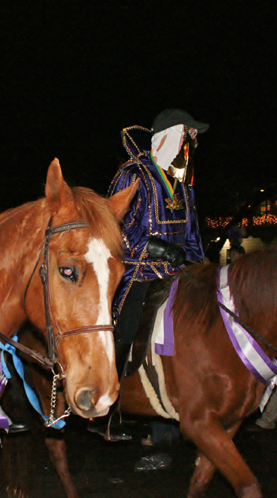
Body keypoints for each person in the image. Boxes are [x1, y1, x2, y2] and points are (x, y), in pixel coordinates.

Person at [90, 109, 208, 441]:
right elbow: (115, 227)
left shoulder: (183, 185)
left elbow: (193, 236)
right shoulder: (134, 175)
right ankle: (105, 407)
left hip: (177, 273)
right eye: (190, 135)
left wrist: (204, 269)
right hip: (137, 271)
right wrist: (158, 250)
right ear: (171, 137)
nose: (193, 143)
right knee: (126, 325)